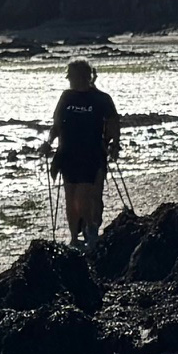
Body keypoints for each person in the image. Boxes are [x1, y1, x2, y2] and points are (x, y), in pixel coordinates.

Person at [46, 59, 121, 249]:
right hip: (67, 152)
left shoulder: (101, 99)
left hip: (91, 152)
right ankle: (74, 237)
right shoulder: (66, 97)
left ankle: (90, 229)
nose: (69, 79)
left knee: (85, 196)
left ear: (83, 77)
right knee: (70, 196)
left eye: (71, 75)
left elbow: (113, 123)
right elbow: (56, 125)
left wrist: (114, 145)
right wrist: (48, 143)